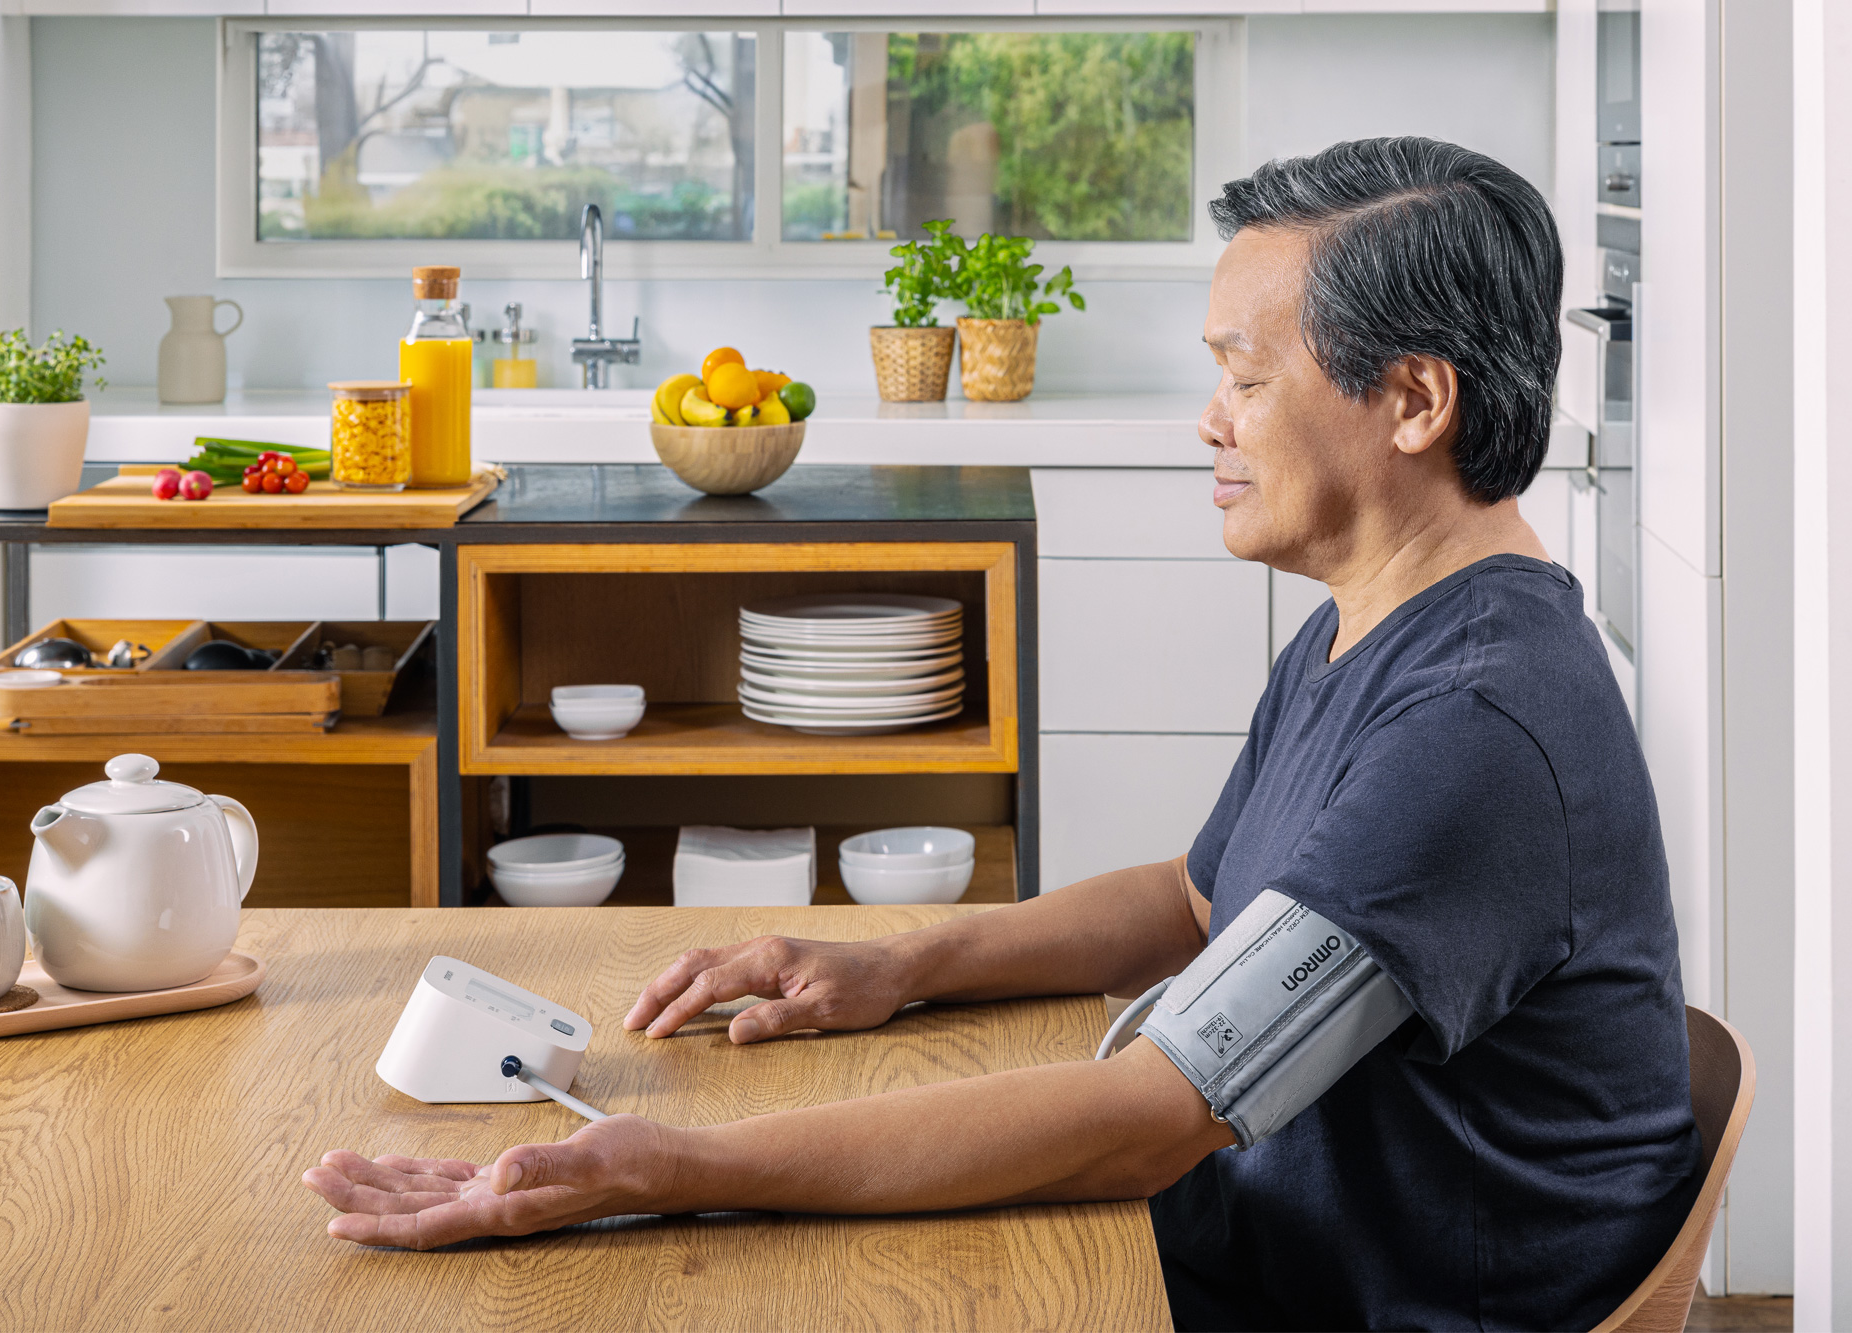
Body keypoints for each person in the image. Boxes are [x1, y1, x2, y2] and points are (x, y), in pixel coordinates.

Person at [303, 138, 1701, 1330]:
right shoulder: (1384, 622)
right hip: (1268, 1246)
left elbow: (1151, 1117)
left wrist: (668, 1165)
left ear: (1415, 402)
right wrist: (893, 968)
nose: (1209, 423)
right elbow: (1196, 898)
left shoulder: (1476, 724)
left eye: (1247, 378)